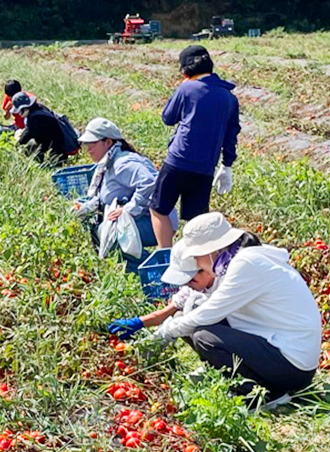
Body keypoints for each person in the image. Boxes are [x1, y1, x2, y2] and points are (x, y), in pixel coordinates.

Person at [153, 213, 320, 405]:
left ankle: (265, 395)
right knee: (188, 317)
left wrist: (165, 333)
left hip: (292, 364)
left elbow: (209, 312)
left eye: (196, 257)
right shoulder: (238, 260)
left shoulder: (246, 264)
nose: (197, 264)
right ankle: (234, 378)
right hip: (278, 347)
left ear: (210, 250)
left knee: (205, 337)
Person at [151, 46, 241, 248]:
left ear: (186, 70)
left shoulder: (187, 89)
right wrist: (227, 165)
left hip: (177, 161)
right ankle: (195, 264)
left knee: (158, 208)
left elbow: (168, 117)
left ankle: (166, 256)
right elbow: (231, 133)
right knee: (196, 221)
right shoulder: (229, 98)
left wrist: (182, 90)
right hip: (205, 169)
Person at [72, 118, 177, 271]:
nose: (88, 148)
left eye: (92, 143)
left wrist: (129, 209)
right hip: (143, 219)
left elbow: (150, 182)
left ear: (108, 142)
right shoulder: (108, 162)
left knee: (113, 238)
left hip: (153, 222)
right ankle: (148, 268)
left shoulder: (122, 163)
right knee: (98, 231)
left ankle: (156, 270)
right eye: (87, 144)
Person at [107, 239, 215, 339]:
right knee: (178, 315)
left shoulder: (223, 285)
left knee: (201, 336)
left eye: (191, 278)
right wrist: (138, 322)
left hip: (226, 329)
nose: (187, 283)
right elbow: (164, 314)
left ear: (206, 269)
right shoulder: (190, 289)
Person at [10, 92, 80, 164]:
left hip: (57, 150)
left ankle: (40, 164)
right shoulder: (39, 108)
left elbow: (26, 137)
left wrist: (15, 146)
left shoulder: (36, 119)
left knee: (31, 145)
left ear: (25, 108)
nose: (18, 114)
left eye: (19, 111)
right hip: (56, 145)